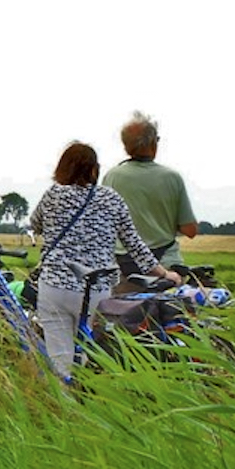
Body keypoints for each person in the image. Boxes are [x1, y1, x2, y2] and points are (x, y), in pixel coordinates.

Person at [29, 142, 181, 374]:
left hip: (54, 286)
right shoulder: (111, 199)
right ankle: (90, 397)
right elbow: (134, 245)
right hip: (95, 289)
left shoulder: (53, 195)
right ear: (94, 170)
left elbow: (35, 224)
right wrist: (164, 273)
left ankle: (64, 399)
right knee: (92, 353)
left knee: (60, 357)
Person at [100, 111, 198, 269]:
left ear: (126, 146)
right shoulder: (172, 177)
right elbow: (190, 230)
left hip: (124, 265)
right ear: (153, 142)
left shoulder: (112, 177)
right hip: (165, 262)